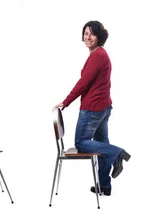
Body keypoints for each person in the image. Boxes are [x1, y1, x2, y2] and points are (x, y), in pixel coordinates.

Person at [55, 20, 130, 196]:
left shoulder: (98, 56)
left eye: (92, 33)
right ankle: (104, 185)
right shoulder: (99, 54)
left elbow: (83, 83)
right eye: (85, 33)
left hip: (93, 109)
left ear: (99, 37)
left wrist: (66, 101)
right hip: (102, 107)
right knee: (101, 145)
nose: (88, 37)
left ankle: (118, 154)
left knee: (81, 143)